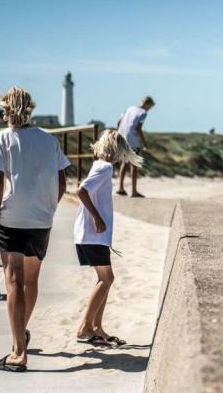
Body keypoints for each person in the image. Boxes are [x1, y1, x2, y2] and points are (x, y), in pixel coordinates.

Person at [0, 87, 70, 373]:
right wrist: (49, 208)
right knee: (30, 281)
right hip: (40, 220)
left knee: (14, 283)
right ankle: (21, 333)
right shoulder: (49, 141)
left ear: (6, 110)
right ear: (30, 109)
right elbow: (62, 183)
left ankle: (19, 353)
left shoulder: (0, 139)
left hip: (11, 221)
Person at [74, 129, 143, 346]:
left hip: (91, 235)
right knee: (107, 279)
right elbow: (81, 191)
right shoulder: (104, 168)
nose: (122, 156)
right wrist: (97, 218)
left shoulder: (99, 166)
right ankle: (85, 328)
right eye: (122, 152)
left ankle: (96, 328)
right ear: (115, 150)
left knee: (104, 279)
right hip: (92, 235)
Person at [116, 96, 155, 197]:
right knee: (134, 164)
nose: (149, 109)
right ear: (148, 104)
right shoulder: (143, 113)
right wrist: (145, 144)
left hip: (122, 135)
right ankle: (134, 191)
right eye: (150, 107)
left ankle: (120, 188)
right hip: (132, 138)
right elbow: (138, 128)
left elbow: (118, 121)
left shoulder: (130, 108)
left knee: (124, 163)